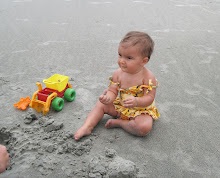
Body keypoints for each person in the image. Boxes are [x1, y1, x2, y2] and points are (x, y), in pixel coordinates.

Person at [74, 31, 160, 140]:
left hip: (140, 111)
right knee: (100, 105)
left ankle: (120, 123)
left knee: (144, 127)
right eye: (120, 55)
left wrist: (136, 101)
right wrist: (108, 98)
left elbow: (150, 98)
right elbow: (113, 91)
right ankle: (87, 127)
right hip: (122, 107)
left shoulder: (147, 77)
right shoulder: (118, 74)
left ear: (143, 61)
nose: (122, 61)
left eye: (128, 58)